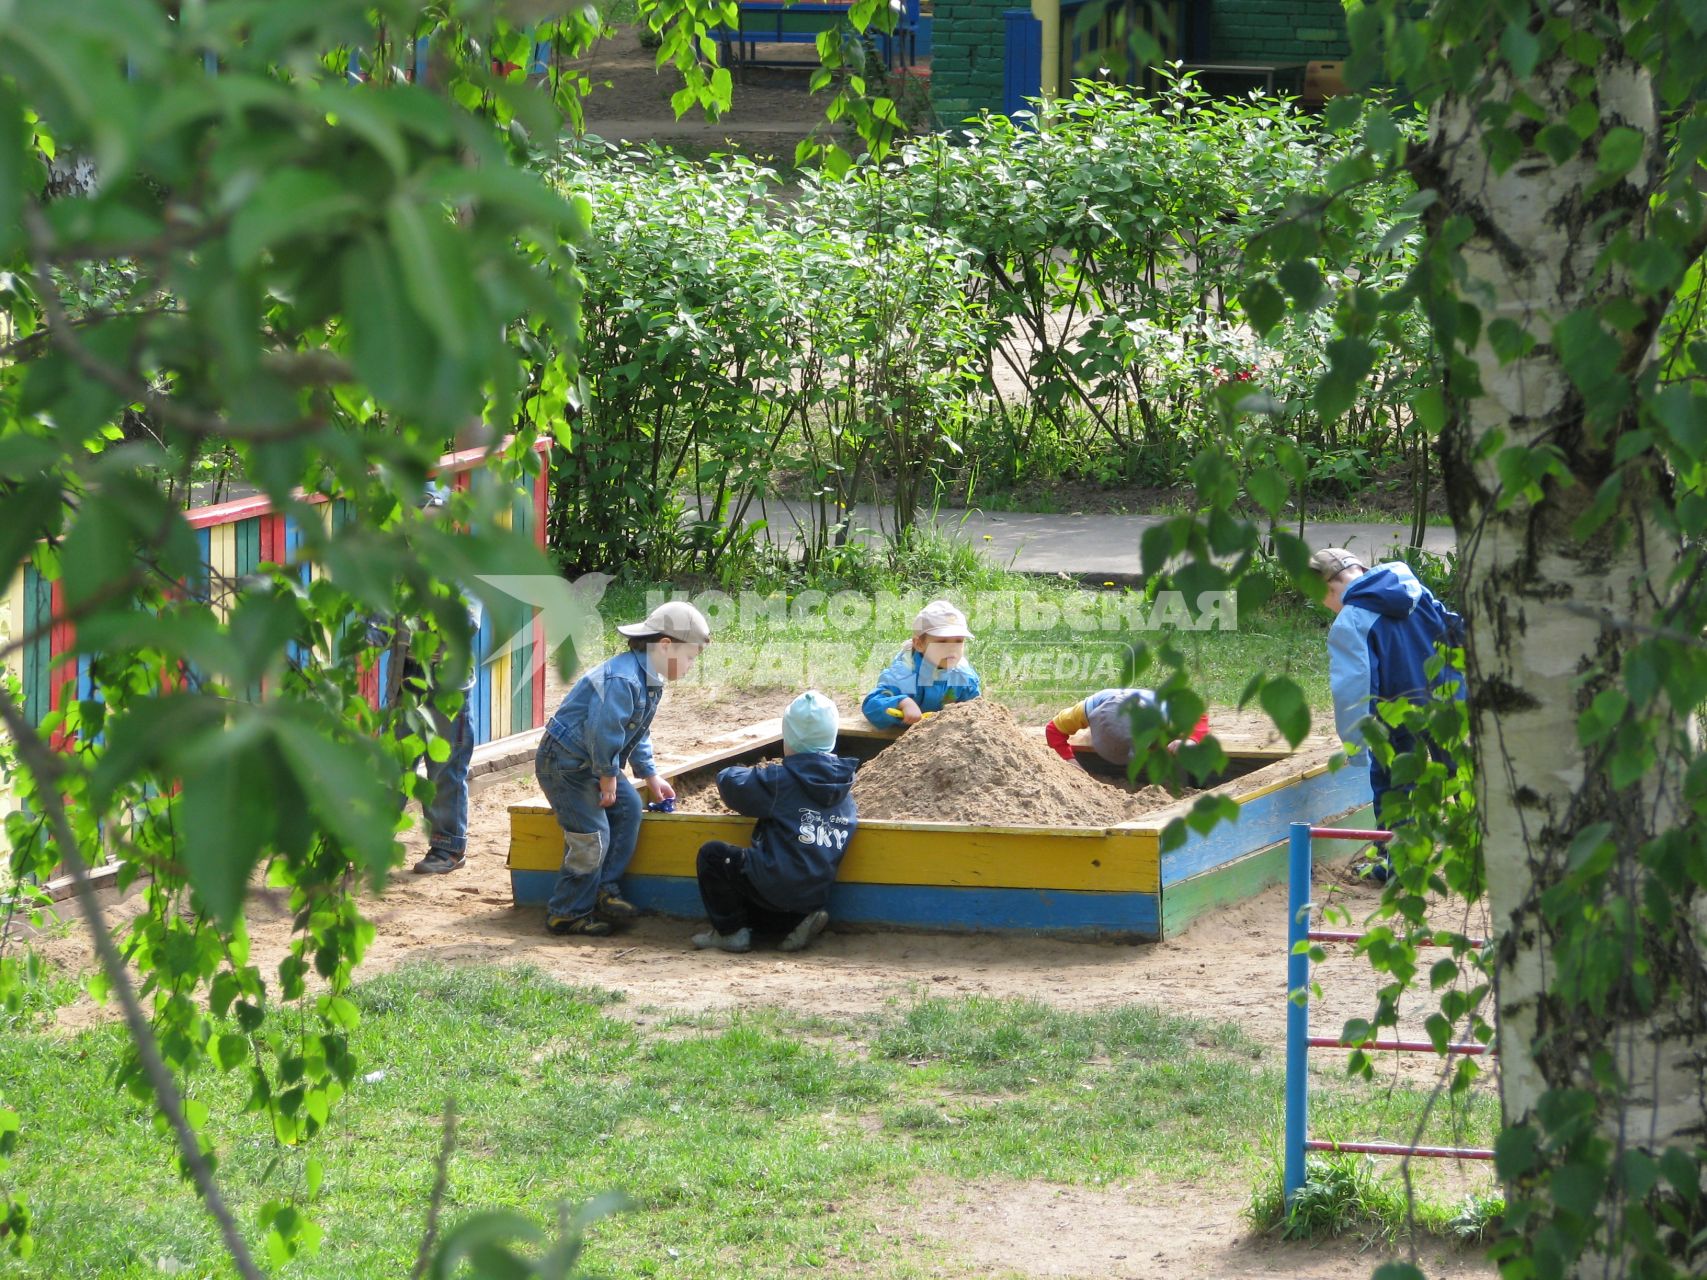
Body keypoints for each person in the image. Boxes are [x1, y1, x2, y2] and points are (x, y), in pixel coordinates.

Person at [538, 600, 712, 937]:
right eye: (690, 657)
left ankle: (603, 889)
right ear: (665, 646)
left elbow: (636, 731)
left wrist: (649, 775)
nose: (692, 665)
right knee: (592, 836)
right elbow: (603, 730)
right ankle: (567, 912)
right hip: (567, 764)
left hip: (595, 759)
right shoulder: (623, 679)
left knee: (630, 807)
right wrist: (607, 776)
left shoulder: (648, 678)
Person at [1310, 547, 1466, 875]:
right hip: (1449, 698)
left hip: (1397, 717)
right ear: (1361, 568)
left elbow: (1355, 690)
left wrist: (1357, 744)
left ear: (1328, 588)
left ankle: (1401, 867)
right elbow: (1451, 625)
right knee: (1464, 773)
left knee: (1395, 787)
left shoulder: (1351, 621)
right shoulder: (1410, 586)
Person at [692, 690, 859, 954]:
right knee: (777, 895)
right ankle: (799, 922)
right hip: (812, 894)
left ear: (789, 736)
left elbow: (732, 784)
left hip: (772, 884)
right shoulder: (844, 790)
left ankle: (730, 932)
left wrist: (742, 770)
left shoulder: (781, 781)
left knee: (713, 855)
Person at [405, 481, 479, 875]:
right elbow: (378, 622)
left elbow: (466, 623)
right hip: (406, 681)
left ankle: (449, 847)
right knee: (394, 761)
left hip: (448, 684)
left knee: (446, 768)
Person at [861, 600, 981, 729]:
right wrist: (901, 702)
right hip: (903, 737)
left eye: (958, 641)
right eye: (942, 641)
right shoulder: (902, 675)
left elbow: (977, 709)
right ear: (919, 644)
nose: (952, 648)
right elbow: (871, 705)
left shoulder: (964, 677)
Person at [1044, 689, 1210, 768]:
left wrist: (1190, 741)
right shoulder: (1089, 708)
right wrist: (1069, 762)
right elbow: (1053, 729)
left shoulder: (1166, 712)